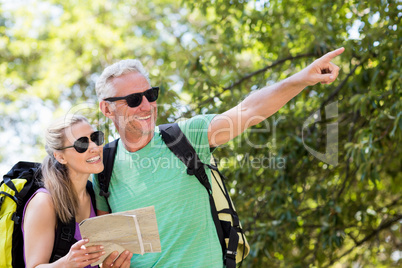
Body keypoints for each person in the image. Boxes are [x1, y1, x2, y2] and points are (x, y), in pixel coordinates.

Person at [93, 47, 345, 267]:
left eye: (151, 95)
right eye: (134, 100)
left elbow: (249, 110)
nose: (147, 106)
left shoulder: (186, 136)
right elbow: (107, 250)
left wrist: (301, 78)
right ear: (107, 108)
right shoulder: (102, 167)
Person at [22, 114, 133, 268]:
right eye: (81, 144)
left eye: (96, 137)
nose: (94, 147)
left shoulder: (95, 195)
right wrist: (66, 263)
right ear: (60, 157)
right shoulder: (44, 202)